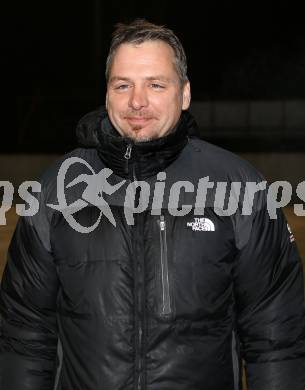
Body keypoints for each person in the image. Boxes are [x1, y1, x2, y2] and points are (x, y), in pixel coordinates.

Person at [1, 19, 305, 390]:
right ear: (107, 93)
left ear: (185, 93)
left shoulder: (240, 187)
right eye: (123, 85)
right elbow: (24, 336)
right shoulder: (57, 190)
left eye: (156, 85)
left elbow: (276, 336)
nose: (137, 101)